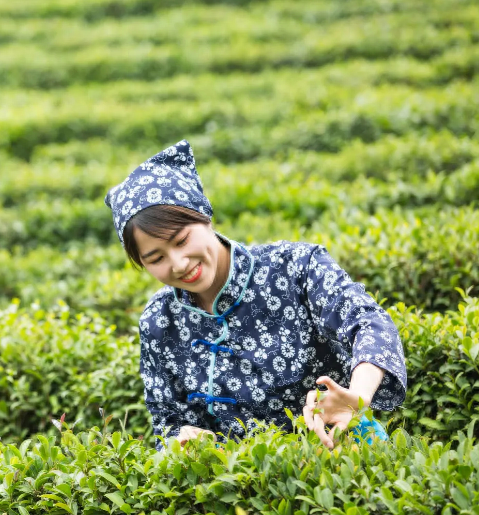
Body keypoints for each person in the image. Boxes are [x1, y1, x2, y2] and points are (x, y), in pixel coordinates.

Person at [104, 140, 406, 450]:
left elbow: (369, 323)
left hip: (339, 449)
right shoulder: (158, 322)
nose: (178, 265)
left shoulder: (296, 267)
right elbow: (167, 421)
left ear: (203, 215)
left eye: (181, 241)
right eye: (156, 259)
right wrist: (184, 440)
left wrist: (357, 395)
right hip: (240, 482)